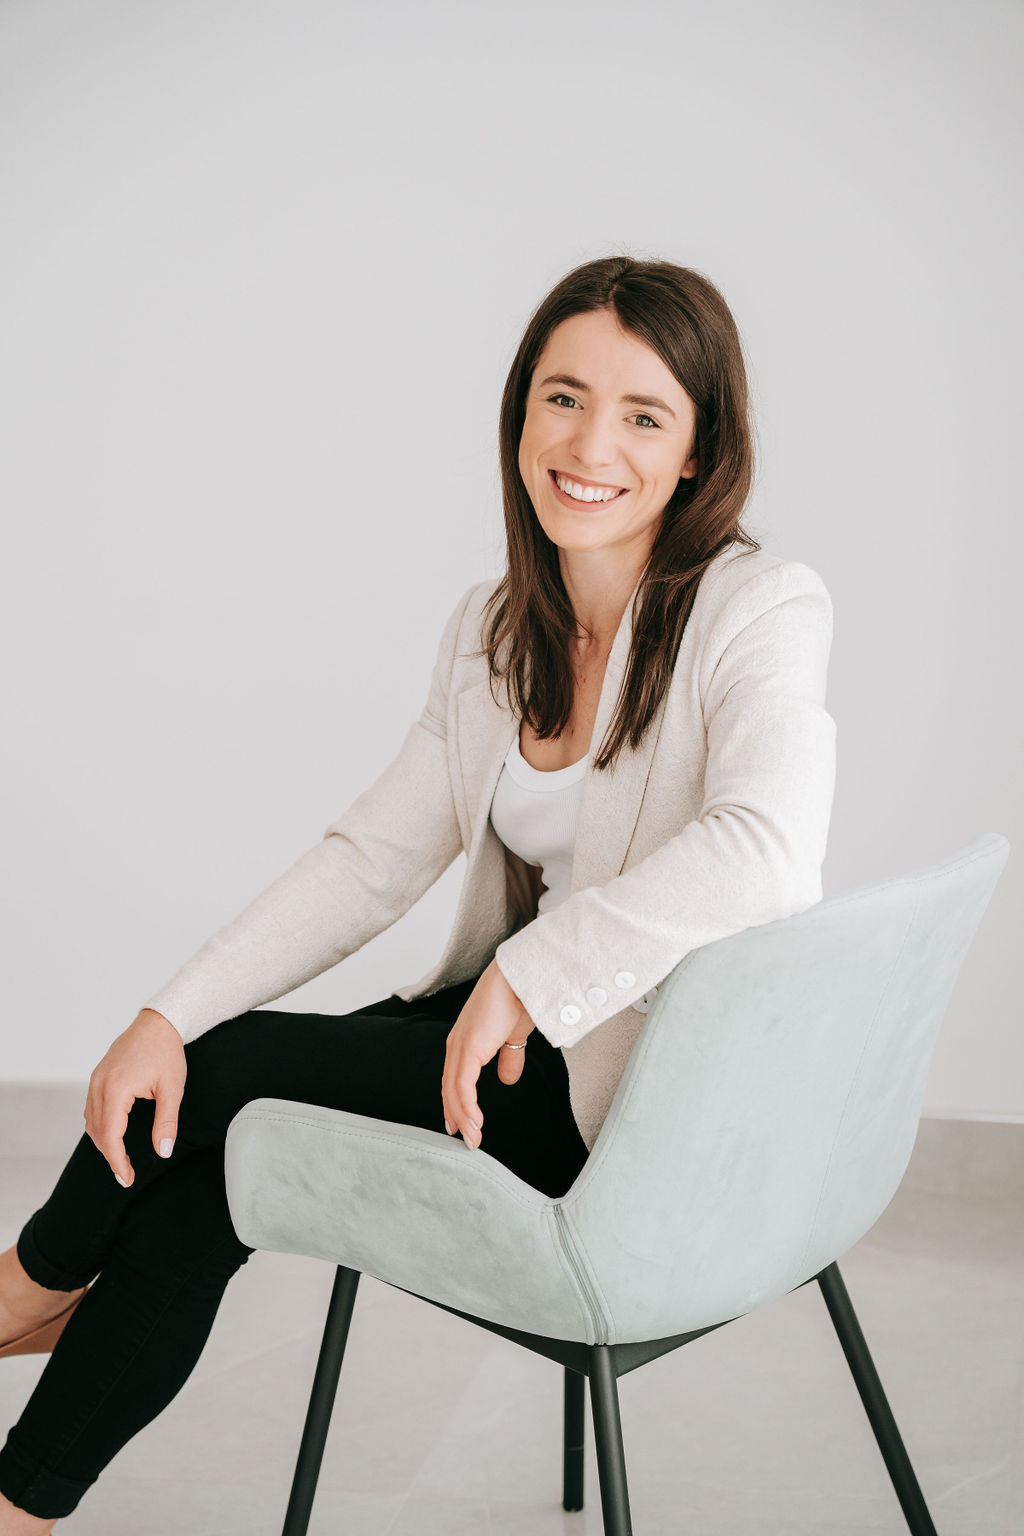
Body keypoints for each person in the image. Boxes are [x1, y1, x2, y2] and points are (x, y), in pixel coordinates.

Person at [0, 254, 836, 1531]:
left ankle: (28, 1288)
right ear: (518, 414)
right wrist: (162, 1011)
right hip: (494, 1054)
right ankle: (25, 1497)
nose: (588, 442)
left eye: (641, 414)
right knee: (209, 1132)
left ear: (695, 450)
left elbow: (767, 845)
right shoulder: (496, 627)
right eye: (561, 398)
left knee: (226, 1089)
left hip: (632, 1105)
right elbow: (370, 861)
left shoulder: (757, 608)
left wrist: (533, 974)